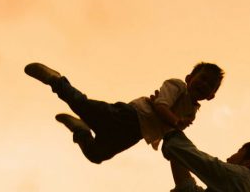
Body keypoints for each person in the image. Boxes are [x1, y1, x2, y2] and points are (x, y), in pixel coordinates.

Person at [23, 61, 224, 164]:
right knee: (81, 104)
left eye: (211, 85)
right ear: (189, 77)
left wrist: (176, 131)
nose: (204, 84)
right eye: (203, 78)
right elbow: (161, 105)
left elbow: (172, 131)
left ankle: (81, 131)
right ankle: (56, 81)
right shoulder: (178, 86)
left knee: (96, 155)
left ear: (212, 95)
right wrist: (176, 121)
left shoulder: (193, 111)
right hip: (130, 116)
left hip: (135, 134)